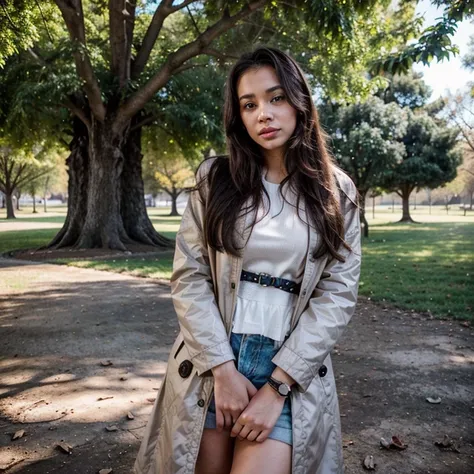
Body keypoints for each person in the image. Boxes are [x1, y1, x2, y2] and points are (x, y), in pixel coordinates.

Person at [134, 46, 361, 474]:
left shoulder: (338, 193)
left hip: (290, 367)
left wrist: (277, 387)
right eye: (249, 104)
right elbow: (189, 277)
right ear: (238, 116)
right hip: (214, 358)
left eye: (276, 98)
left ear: (299, 101)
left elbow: (338, 294)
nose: (264, 114)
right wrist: (222, 369)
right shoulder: (215, 180)